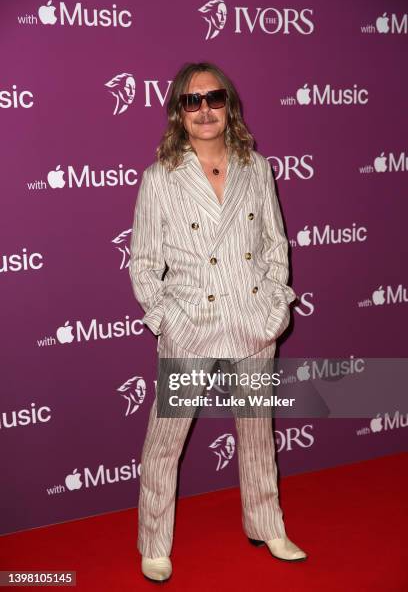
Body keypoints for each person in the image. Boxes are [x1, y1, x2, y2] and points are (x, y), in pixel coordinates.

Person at [129, 61, 307, 582]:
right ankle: (154, 541)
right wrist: (165, 318)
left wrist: (276, 304)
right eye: (192, 101)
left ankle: (267, 523)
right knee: (166, 440)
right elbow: (143, 261)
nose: (204, 109)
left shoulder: (257, 167)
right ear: (178, 114)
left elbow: (276, 243)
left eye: (214, 98)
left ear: (230, 105)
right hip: (191, 322)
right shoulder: (161, 177)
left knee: (256, 432)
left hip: (252, 318)